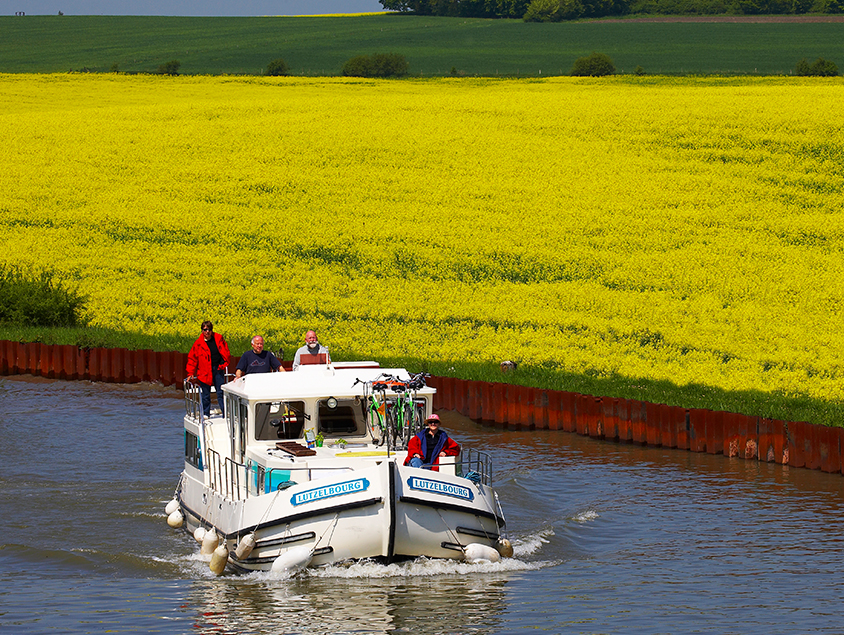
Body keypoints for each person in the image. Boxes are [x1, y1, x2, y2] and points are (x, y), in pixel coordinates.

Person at [186, 320, 230, 418]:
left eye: (209, 329)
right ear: (202, 330)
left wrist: (224, 363)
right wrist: (190, 373)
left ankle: (225, 412)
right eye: (205, 330)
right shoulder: (198, 344)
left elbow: (226, 351)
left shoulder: (218, 338)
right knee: (205, 393)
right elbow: (192, 359)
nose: (207, 332)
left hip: (218, 369)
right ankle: (206, 413)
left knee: (220, 391)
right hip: (204, 371)